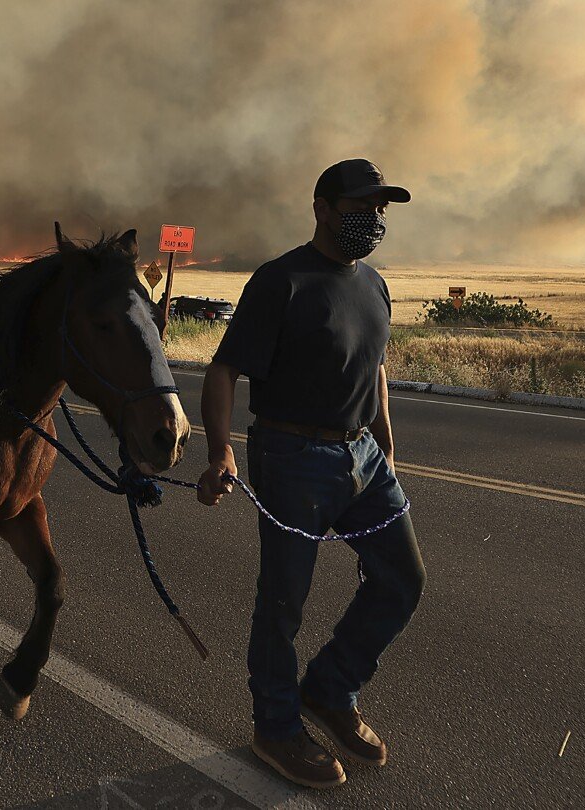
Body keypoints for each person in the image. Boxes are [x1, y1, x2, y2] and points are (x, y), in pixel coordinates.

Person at [196, 158, 426, 789]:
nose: (375, 220)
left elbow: (373, 365)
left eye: (382, 209)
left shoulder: (374, 285)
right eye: (361, 208)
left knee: (402, 579)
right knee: (283, 602)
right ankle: (275, 728)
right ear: (323, 208)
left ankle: (328, 689)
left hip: (362, 458)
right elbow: (223, 371)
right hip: (292, 458)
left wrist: (384, 441)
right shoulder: (281, 281)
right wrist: (221, 452)